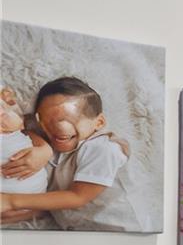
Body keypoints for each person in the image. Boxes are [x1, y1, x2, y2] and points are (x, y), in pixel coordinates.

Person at [0, 77, 143, 231]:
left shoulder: (103, 148)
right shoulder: (56, 147)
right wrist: (43, 149)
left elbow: (77, 197)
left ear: (99, 122)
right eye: (46, 122)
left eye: (67, 119)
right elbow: (20, 129)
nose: (57, 128)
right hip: (80, 234)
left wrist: (11, 201)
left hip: (125, 230)